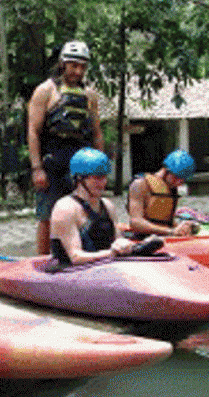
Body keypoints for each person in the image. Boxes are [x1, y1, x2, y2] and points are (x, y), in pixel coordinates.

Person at [27, 40, 105, 255]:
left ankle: (80, 254)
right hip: (53, 160)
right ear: (63, 63)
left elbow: (97, 133)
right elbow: (33, 131)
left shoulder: (89, 95)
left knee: (84, 211)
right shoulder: (45, 90)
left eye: (82, 67)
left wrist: (100, 168)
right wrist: (37, 168)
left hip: (81, 163)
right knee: (47, 215)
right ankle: (43, 260)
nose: (78, 71)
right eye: (73, 65)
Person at [49, 148, 160, 267]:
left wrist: (132, 246)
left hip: (103, 269)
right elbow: (75, 257)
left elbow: (118, 240)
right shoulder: (65, 208)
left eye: (104, 177)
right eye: (97, 178)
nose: (102, 183)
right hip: (70, 271)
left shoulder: (107, 206)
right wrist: (112, 253)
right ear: (80, 178)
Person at [126, 149, 199, 238]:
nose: (178, 183)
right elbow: (135, 222)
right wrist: (171, 231)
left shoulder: (171, 189)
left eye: (182, 180)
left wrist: (182, 227)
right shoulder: (140, 184)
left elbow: (165, 221)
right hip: (142, 238)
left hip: (165, 236)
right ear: (166, 170)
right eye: (176, 177)